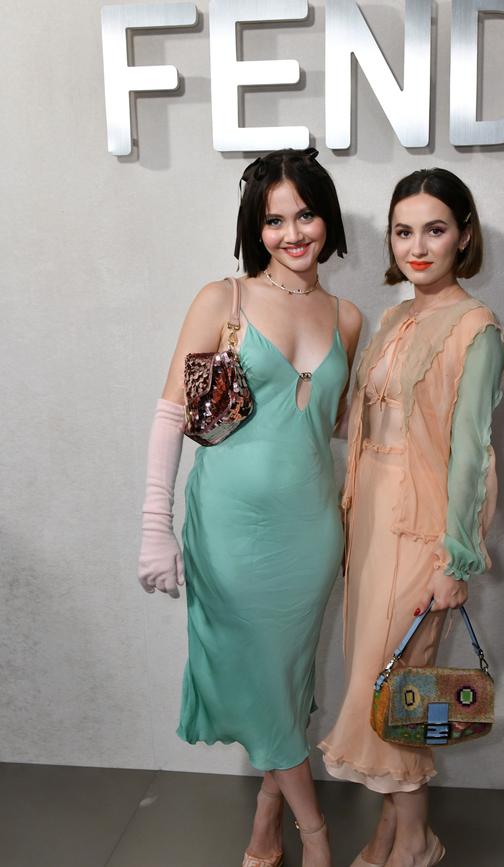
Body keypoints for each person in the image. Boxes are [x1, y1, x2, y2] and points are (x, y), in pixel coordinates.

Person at [137, 147, 362, 867]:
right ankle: (315, 835)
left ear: (326, 217)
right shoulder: (222, 299)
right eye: (273, 219)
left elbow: (329, 427)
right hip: (230, 528)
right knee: (267, 677)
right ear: (253, 226)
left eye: (305, 214)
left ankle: (267, 821)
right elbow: (173, 413)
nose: (292, 232)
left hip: (312, 533)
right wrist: (154, 527)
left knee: (287, 680)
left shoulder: (349, 317)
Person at [318, 168, 504, 867]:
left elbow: (472, 453)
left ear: (464, 234)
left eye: (435, 229)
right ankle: (395, 833)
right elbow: (363, 421)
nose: (417, 245)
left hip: (421, 527)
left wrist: (456, 560)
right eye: (404, 231)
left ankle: (413, 839)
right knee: (381, 684)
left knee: (395, 687)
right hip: (367, 517)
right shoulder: (395, 317)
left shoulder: (477, 328)